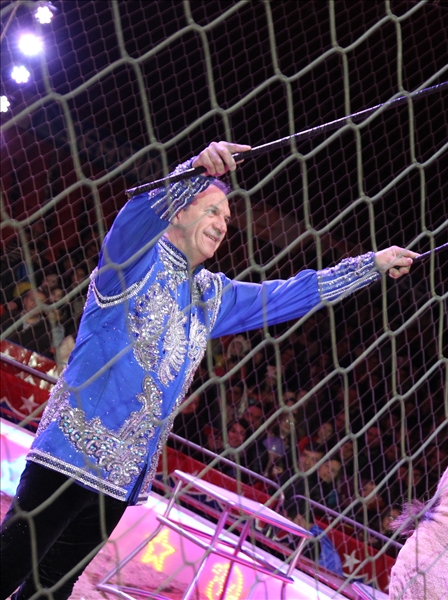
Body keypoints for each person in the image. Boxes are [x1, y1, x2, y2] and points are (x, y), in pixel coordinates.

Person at [0, 141, 418, 600]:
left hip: (120, 478)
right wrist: (193, 171)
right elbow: (135, 216)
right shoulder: (134, 259)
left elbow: (287, 295)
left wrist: (370, 266)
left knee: (51, 591)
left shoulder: (211, 296)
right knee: (8, 564)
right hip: (68, 456)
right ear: (179, 211)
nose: (222, 224)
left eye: (227, 218)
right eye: (213, 211)